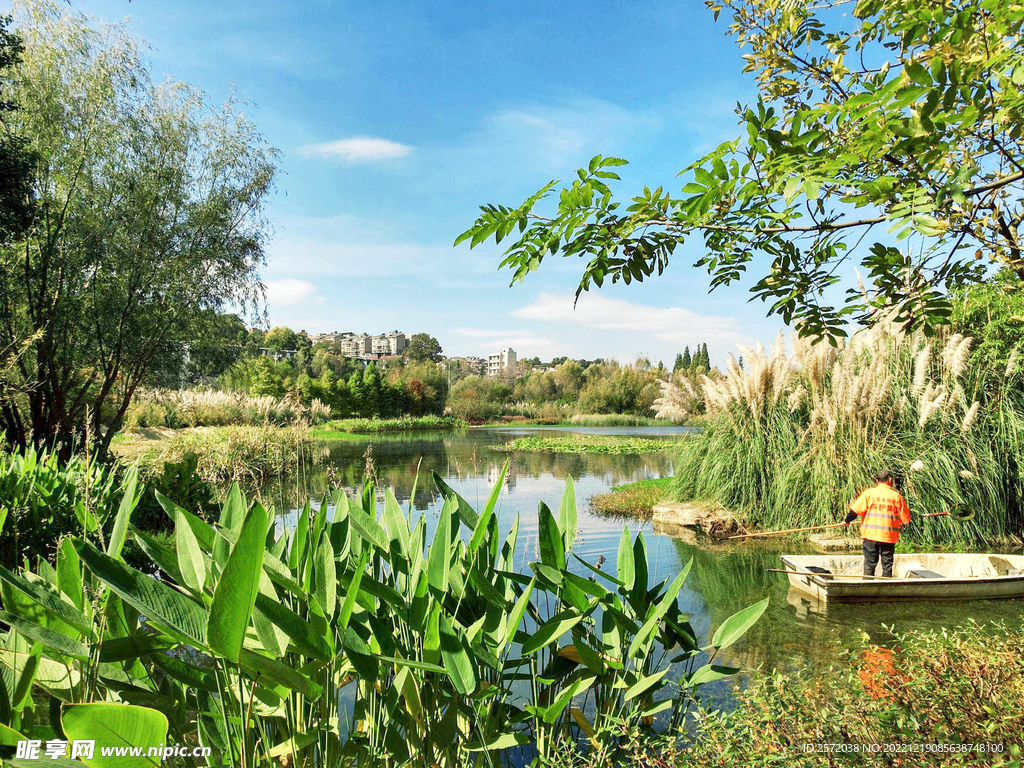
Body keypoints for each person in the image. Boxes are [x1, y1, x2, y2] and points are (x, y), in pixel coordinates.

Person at [843, 470, 911, 577]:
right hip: (889, 537)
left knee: (870, 564)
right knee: (887, 565)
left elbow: (855, 511)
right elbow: (905, 519)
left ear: (877, 480)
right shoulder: (896, 497)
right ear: (890, 480)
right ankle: (886, 588)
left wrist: (846, 521)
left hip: (871, 535)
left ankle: (868, 587)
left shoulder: (869, 494)